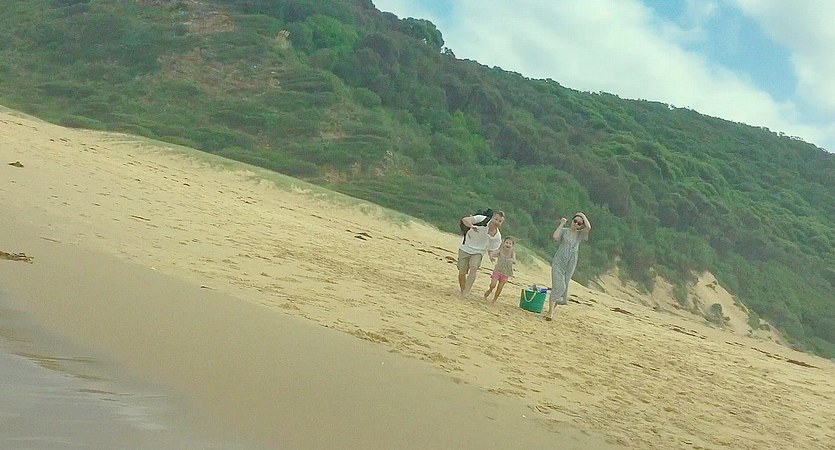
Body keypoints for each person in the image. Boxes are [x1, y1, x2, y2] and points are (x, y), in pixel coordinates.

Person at [545, 212, 591, 321]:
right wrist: (562, 223)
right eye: (575, 221)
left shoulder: (580, 235)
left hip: (570, 263)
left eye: (579, 223)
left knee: (563, 286)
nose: (576, 224)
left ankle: (551, 309)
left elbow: (588, 227)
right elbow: (555, 237)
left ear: (581, 225)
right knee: (559, 286)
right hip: (559, 261)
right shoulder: (565, 231)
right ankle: (550, 312)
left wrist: (582, 215)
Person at [457, 210, 505, 298]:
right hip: (465, 247)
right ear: (492, 218)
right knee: (461, 273)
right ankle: (463, 289)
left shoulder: (497, 237)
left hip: (479, 252)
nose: (497, 222)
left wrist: (491, 256)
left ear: (501, 223)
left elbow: (492, 249)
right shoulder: (482, 219)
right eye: (496, 219)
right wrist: (472, 226)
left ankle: (466, 292)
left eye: (500, 221)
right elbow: (465, 220)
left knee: (474, 268)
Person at [484, 236, 516, 303]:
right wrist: (491, 256)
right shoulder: (500, 250)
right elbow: (493, 253)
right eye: (506, 242)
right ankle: (490, 290)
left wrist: (511, 260)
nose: (508, 244)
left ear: (512, 246)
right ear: (503, 243)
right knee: (493, 284)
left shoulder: (512, 252)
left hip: (506, 273)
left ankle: (494, 299)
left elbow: (514, 261)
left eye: (510, 243)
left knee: (500, 288)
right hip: (498, 270)